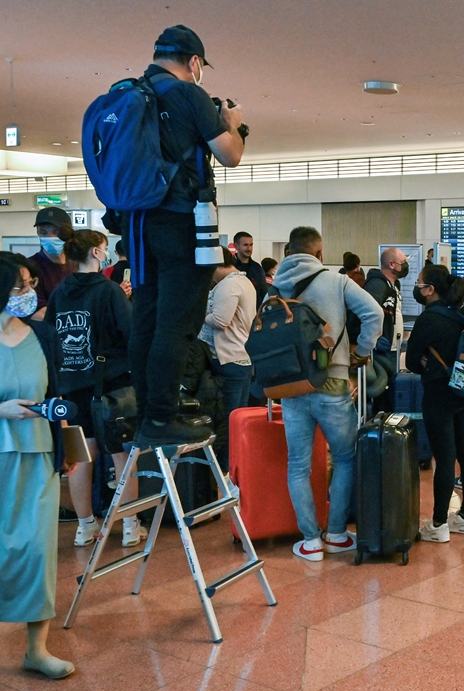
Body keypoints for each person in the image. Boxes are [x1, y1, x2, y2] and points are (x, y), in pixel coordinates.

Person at [126, 25, 246, 447]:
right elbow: (228, 155)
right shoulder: (188, 94)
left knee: (147, 318)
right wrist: (234, 125)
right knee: (178, 323)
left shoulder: (133, 92)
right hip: (182, 221)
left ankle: (146, 413)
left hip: (139, 223)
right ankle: (162, 417)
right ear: (194, 62)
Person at [271, 227, 382, 562]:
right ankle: (335, 534)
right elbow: (373, 314)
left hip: (290, 386)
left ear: (289, 251)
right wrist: (361, 353)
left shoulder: (275, 288)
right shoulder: (336, 281)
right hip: (332, 381)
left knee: (298, 465)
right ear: (319, 254)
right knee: (345, 457)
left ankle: (310, 542)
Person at [0, 256, 75, 679]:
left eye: (29, 284)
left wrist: (63, 443)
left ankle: (37, 649)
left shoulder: (42, 336)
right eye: (18, 286)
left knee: (37, 551)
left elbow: (56, 396)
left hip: (38, 457)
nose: (27, 293)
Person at [45, 231, 140, 548]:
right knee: (121, 456)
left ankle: (85, 526)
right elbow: (130, 335)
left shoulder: (59, 293)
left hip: (71, 389)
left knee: (80, 458)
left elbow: (51, 338)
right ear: (99, 253)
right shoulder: (109, 292)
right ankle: (129, 525)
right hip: (111, 387)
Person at [406, 264, 464, 541]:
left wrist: (426, 361)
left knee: (445, 457)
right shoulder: (462, 313)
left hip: (438, 393)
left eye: (420, 283)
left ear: (430, 289)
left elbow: (412, 361)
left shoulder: (429, 320)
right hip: (463, 391)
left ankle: (438, 524)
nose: (417, 287)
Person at [198, 248, 256, 466]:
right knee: (238, 419)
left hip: (230, 358)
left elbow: (221, 320)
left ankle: (226, 470)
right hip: (242, 357)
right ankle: (235, 471)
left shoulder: (228, 285)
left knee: (230, 421)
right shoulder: (244, 281)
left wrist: (200, 315)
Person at [363, 247, 408, 380]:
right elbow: (368, 311)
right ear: (391, 264)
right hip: (383, 348)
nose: (406, 265)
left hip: (394, 347)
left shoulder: (394, 285)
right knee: (383, 385)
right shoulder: (377, 285)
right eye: (403, 262)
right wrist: (375, 338)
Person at [31, 207, 78, 318]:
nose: (50, 237)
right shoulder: (30, 267)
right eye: (43, 232)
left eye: (56, 232)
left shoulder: (79, 264)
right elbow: (39, 313)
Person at [230, 232, 267, 307]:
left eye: (251, 245)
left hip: (254, 312)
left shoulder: (257, 268)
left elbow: (263, 292)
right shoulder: (229, 267)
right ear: (236, 246)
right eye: (245, 245)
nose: (249, 248)